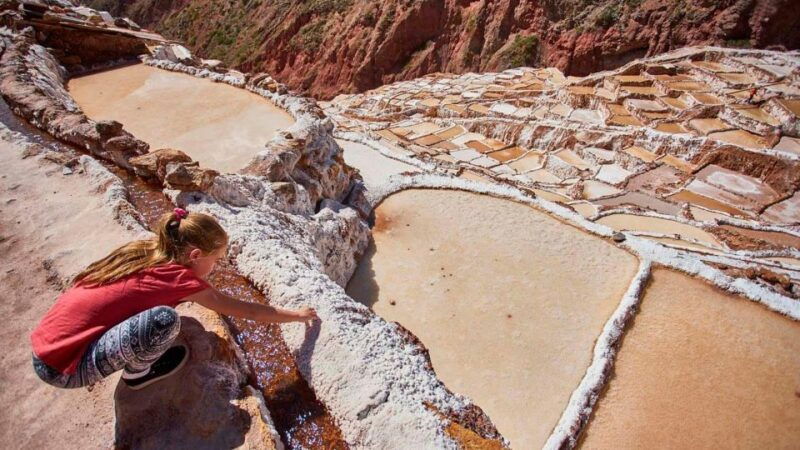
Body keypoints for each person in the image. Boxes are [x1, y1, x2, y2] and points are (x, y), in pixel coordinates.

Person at [30, 208, 317, 390]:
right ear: (195, 255)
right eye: (216, 260)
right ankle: (139, 374)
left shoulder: (145, 250)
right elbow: (247, 311)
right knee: (165, 321)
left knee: (161, 317)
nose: (216, 267)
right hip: (64, 369)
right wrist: (297, 315)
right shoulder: (181, 279)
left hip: (47, 344)